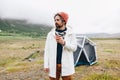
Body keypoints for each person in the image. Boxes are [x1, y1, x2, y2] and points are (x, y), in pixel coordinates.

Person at [44, 12, 77, 80]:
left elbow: (74, 48)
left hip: (66, 64)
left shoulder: (71, 33)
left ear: (64, 21)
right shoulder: (50, 34)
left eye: (58, 20)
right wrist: (46, 65)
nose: (56, 22)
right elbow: (47, 50)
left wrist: (64, 43)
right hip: (54, 64)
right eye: (55, 20)